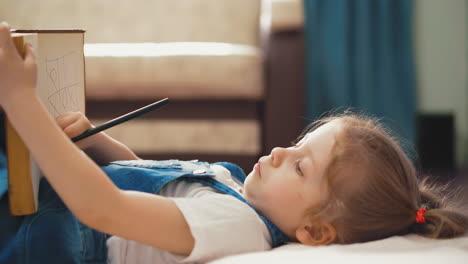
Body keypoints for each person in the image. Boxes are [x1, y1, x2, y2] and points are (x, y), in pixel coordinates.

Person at [0, 21, 467, 264]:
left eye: (300, 167)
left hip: (44, 238)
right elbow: (148, 177)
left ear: (316, 232)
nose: (281, 152)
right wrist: (98, 143)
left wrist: (23, 99)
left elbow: (104, 209)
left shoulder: (235, 228)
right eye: (298, 144)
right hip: (48, 203)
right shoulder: (233, 185)